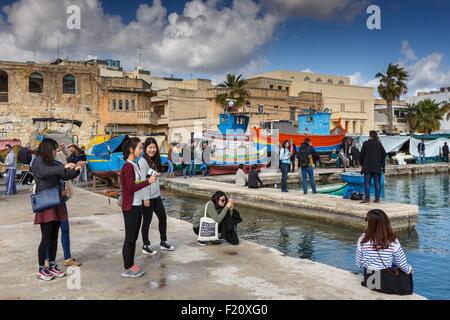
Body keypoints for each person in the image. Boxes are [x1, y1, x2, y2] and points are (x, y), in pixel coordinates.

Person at [32, 138, 82, 281]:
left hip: (56, 201)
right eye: (54, 150)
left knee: (54, 237)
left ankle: (52, 265)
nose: (55, 152)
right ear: (48, 149)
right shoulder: (38, 161)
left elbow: (65, 175)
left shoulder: (54, 163)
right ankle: (42, 269)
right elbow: (44, 172)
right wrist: (64, 167)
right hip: (46, 202)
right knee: (46, 237)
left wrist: (76, 169)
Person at [120, 137, 158, 278]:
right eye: (140, 148)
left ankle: (131, 264)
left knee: (134, 237)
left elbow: (137, 182)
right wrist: (148, 182)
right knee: (129, 238)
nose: (142, 151)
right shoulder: (128, 166)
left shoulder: (135, 164)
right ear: (131, 150)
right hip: (130, 207)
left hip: (137, 205)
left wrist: (149, 178)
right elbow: (130, 188)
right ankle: (126, 268)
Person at [44, 146, 84, 267]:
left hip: (61, 199)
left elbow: (68, 164)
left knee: (65, 228)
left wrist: (76, 168)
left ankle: (67, 257)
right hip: (49, 200)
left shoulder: (60, 156)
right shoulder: (43, 162)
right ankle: (46, 259)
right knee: (49, 231)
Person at [357, 209, 413, 294]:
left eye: (366, 219)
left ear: (370, 223)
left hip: (370, 281)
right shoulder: (392, 240)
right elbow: (401, 263)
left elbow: (359, 263)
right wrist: (409, 270)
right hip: (384, 282)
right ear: (386, 222)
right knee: (405, 269)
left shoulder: (363, 238)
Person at [139, 137, 175, 255]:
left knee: (163, 217)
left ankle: (163, 241)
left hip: (156, 195)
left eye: (154, 147)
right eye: (150, 147)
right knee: (147, 221)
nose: (152, 150)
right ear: (145, 148)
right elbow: (142, 182)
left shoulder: (154, 161)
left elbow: (152, 178)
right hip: (148, 196)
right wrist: (145, 198)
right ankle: (146, 244)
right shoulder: (143, 162)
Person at [359, 131, 386, 203]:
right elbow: (384, 154)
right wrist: (381, 164)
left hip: (367, 167)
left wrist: (362, 163)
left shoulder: (365, 143)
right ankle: (377, 199)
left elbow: (361, 155)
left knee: (367, 183)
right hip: (377, 167)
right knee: (377, 183)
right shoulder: (379, 144)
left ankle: (367, 198)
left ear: (370, 136)